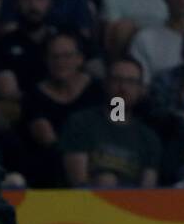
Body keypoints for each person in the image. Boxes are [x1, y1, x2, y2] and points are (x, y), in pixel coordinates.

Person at [20, 32, 105, 187]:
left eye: (67, 56)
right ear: (46, 60)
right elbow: (48, 140)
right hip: (53, 165)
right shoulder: (34, 96)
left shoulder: (100, 89)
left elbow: (116, 124)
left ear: (80, 59)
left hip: (100, 158)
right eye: (55, 57)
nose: (61, 62)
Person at [61, 57, 160, 188]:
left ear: (140, 89)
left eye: (131, 82)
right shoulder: (81, 123)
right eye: (117, 80)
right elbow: (79, 183)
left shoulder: (148, 138)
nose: (123, 87)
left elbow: (149, 192)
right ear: (105, 83)